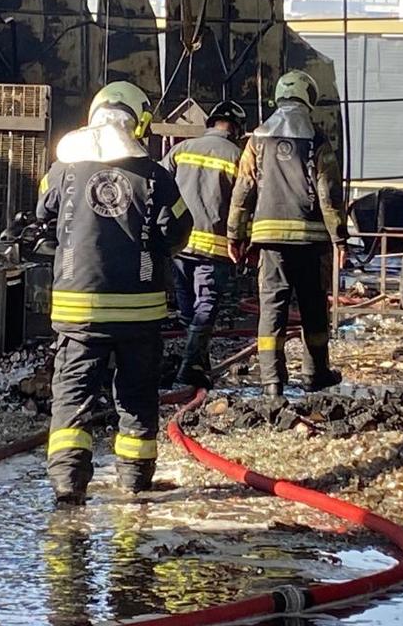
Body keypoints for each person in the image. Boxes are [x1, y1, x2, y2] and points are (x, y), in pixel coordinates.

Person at [36, 81, 193, 505]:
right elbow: (180, 230)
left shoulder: (62, 170)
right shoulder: (156, 175)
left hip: (78, 311)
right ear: (138, 123)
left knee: (73, 395)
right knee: (137, 396)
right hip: (139, 312)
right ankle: (134, 481)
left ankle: (68, 484)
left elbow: (42, 210)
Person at [227, 70, 348, 397]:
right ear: (309, 98)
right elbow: (329, 193)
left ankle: (272, 381)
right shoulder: (317, 139)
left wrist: (235, 235)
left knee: (272, 308)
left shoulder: (257, 139)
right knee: (313, 308)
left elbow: (243, 190)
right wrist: (340, 238)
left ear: (278, 96)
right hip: (311, 241)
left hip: (270, 241)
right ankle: (315, 373)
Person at [161, 101, 247, 388]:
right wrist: (243, 241)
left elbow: (157, 186)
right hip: (216, 248)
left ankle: (198, 363)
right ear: (237, 128)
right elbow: (245, 203)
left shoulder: (181, 150)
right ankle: (190, 366)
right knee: (206, 305)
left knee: (188, 308)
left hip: (180, 245)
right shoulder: (238, 157)